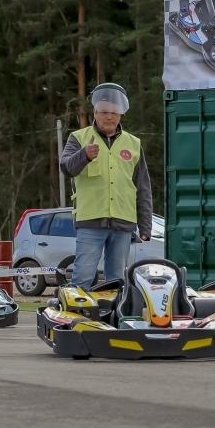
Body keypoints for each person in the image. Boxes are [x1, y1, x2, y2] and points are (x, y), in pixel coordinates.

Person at [60, 83, 152, 291]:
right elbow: (66, 168)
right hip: (90, 221)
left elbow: (143, 187)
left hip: (123, 224)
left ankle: (114, 320)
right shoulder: (78, 138)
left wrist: (145, 226)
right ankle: (75, 319)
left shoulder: (134, 143)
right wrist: (84, 155)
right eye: (104, 111)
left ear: (120, 114)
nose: (109, 116)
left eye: (114, 112)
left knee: (117, 282)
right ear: (95, 112)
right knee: (83, 276)